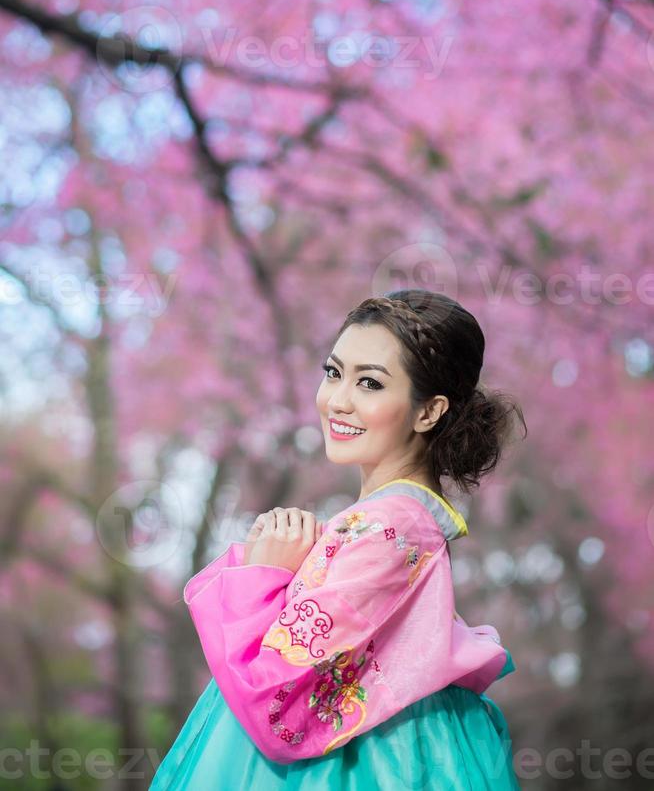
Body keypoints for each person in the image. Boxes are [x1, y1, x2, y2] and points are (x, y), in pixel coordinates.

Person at [150, 290, 527, 789]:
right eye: (333, 373)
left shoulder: (390, 529)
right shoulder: (391, 521)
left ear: (429, 411)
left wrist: (264, 579)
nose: (337, 401)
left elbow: (279, 705)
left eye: (369, 383)